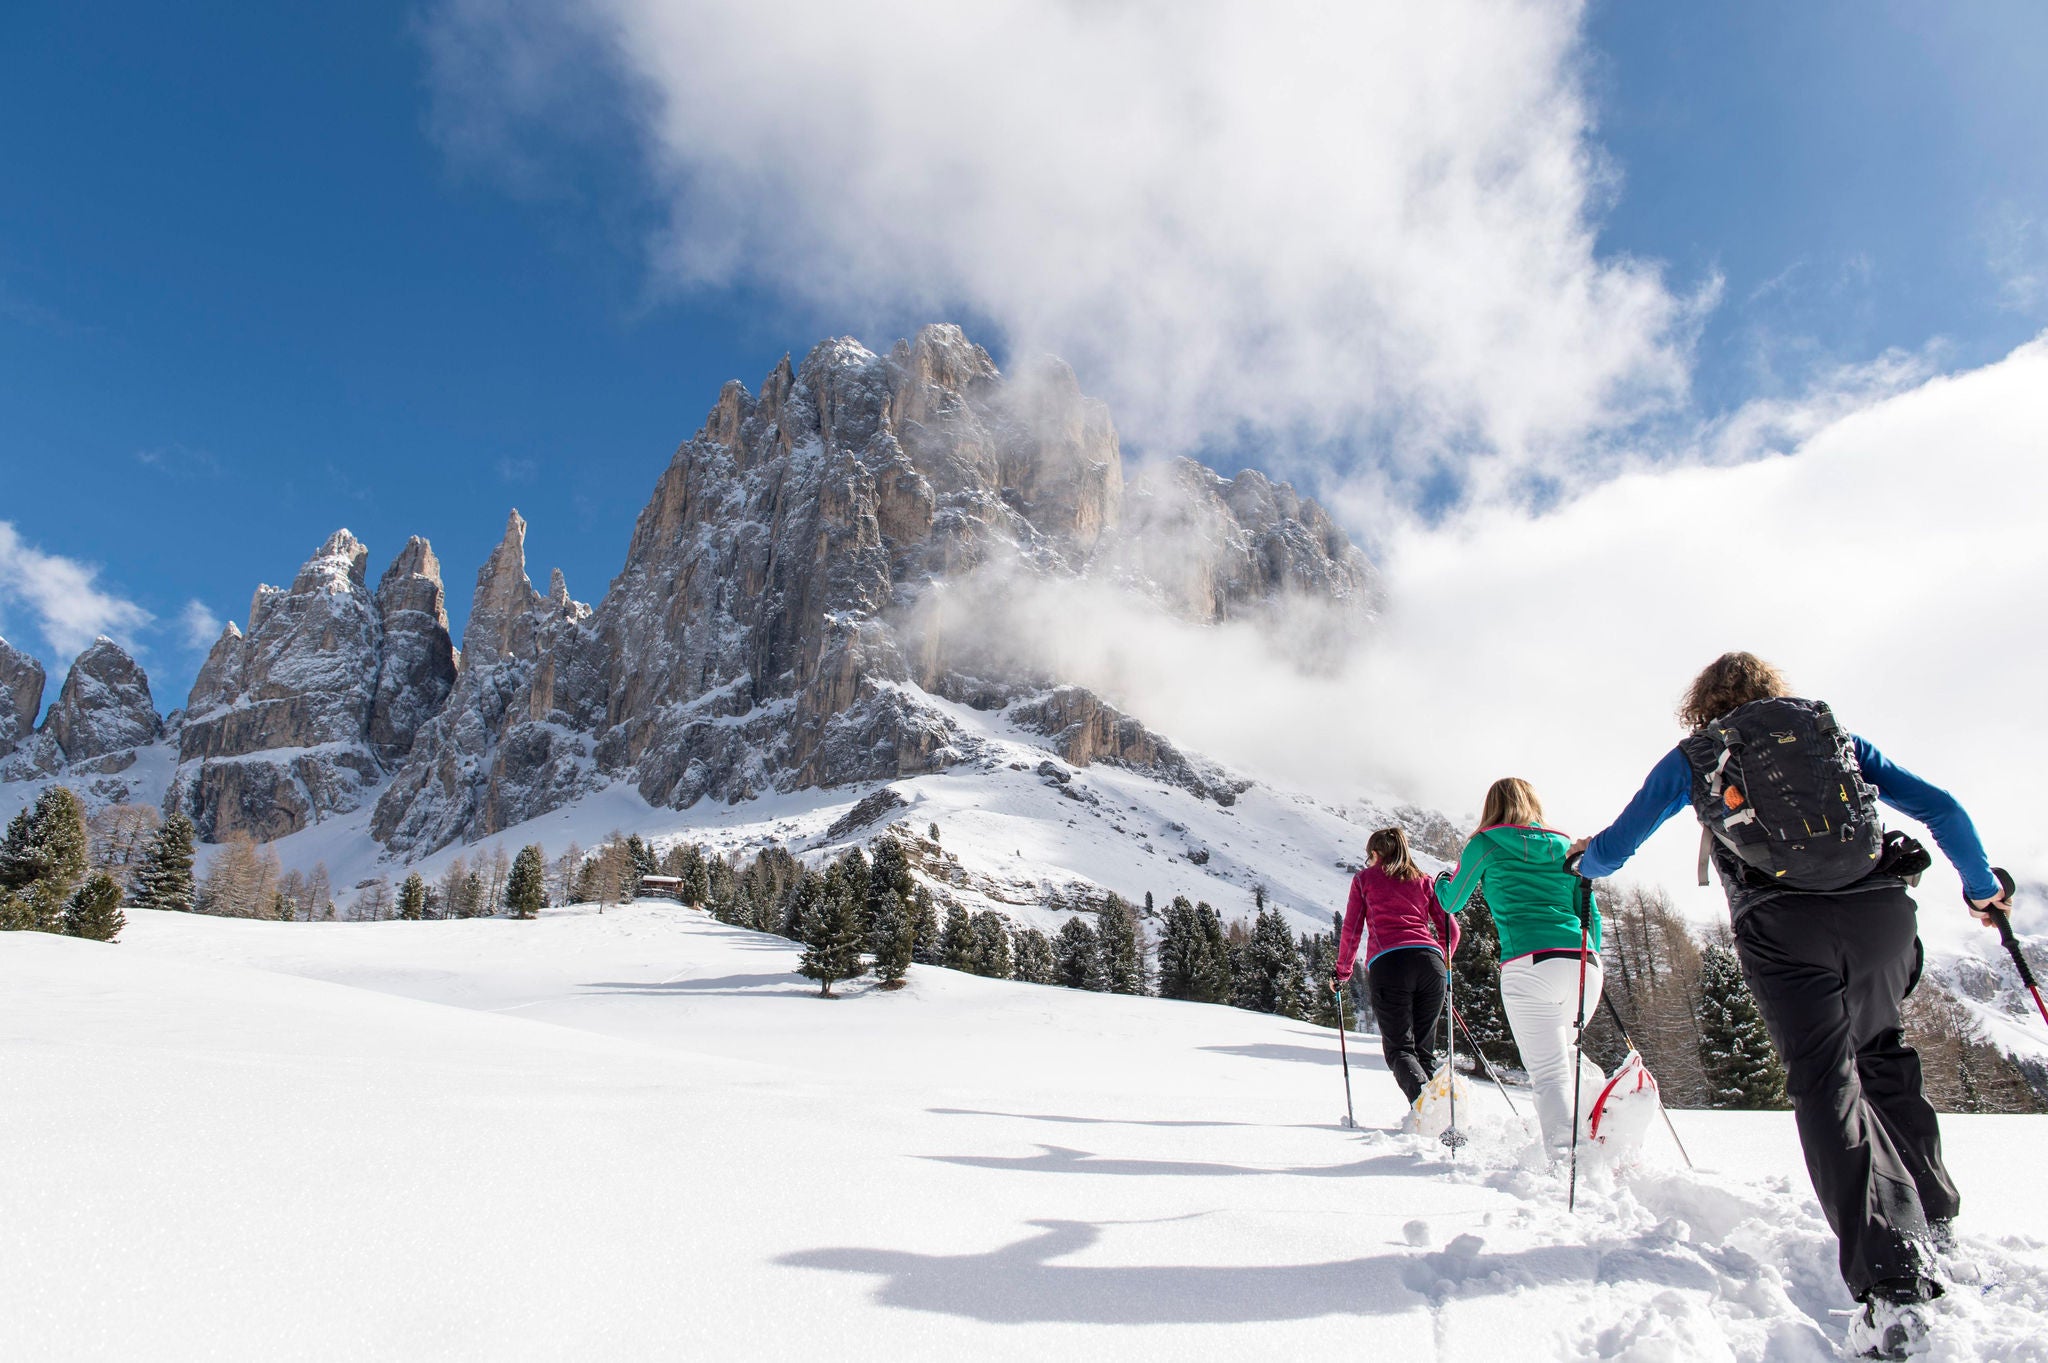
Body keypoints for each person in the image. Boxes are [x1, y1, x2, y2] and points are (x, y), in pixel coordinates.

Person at [1570, 651, 2011, 1358]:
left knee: (1826, 1083)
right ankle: (1932, 1217)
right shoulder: (1830, 735)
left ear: (1703, 703)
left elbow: (1615, 850)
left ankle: (1891, 1286)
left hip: (1785, 929)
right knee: (1882, 1052)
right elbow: (1942, 808)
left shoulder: (1697, 754)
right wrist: (1982, 886)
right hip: (1881, 916)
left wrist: (1583, 861)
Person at [1434, 778, 1603, 1158]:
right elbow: (1589, 911)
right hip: (1584, 965)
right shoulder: (1564, 846)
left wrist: (1440, 881)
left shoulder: (1486, 842)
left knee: (1549, 1072)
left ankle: (1565, 1161)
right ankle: (1601, 1130)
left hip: (1530, 964)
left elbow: (1453, 901)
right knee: (1567, 1055)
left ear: (1491, 807)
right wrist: (1590, 956)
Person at [1332, 827, 1461, 1108]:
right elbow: (1451, 930)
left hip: (1390, 965)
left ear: (1375, 854)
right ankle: (1440, 1112)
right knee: (1424, 1052)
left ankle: (1427, 1110)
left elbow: (1351, 929)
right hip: (1431, 964)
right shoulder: (1424, 881)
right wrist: (1443, 961)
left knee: (1400, 1050)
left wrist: (1342, 972)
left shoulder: (1365, 879)